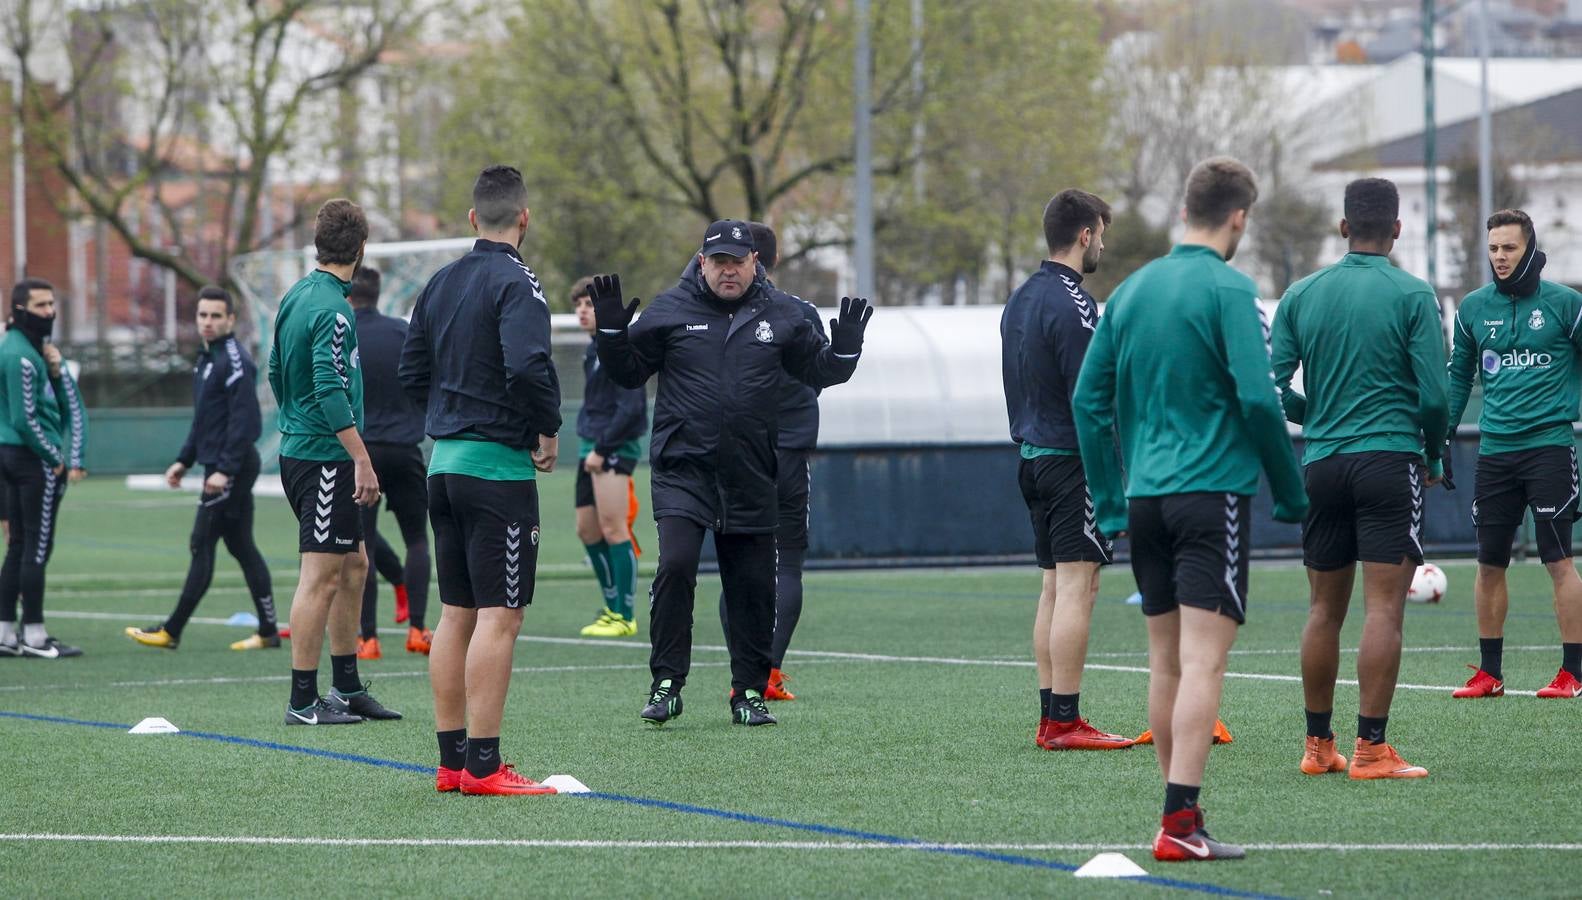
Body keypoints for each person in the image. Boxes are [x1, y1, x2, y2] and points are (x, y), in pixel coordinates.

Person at [1073, 157, 1307, 862]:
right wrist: (1292, 492)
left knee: (1165, 663)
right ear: (1240, 217)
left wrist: (1112, 503)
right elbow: (1261, 398)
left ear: (1184, 211)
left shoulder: (1133, 290)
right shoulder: (1230, 289)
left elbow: (1088, 403)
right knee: (1204, 664)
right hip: (1211, 498)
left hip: (1146, 502)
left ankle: (1175, 818)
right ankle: (1180, 827)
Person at [590, 219, 872, 728]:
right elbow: (628, 371)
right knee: (676, 565)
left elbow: (821, 373)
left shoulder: (782, 315)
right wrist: (611, 334)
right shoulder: (671, 310)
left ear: (753, 264)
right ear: (702, 263)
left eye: (737, 262)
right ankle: (667, 683)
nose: (728, 271)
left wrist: (846, 347)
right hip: (683, 468)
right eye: (718, 262)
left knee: (753, 584)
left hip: (751, 470)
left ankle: (748, 691)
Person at [1271, 177, 1446, 780]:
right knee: (1383, 610)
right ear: (1397, 229)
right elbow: (1434, 395)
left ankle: (1318, 747)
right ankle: (1371, 749)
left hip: (1322, 465)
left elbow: (1272, 388)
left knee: (1323, 610)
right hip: (1388, 463)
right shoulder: (1414, 293)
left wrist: (1310, 415)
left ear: (1343, 227)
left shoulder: (1301, 293)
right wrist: (1437, 453)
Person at [399, 165, 562, 796]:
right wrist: (546, 427)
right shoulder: (520, 283)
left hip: (444, 466)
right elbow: (527, 366)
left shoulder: (440, 282)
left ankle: (451, 762)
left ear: (473, 219)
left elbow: (413, 370)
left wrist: (447, 417)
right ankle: (486, 767)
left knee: (456, 613)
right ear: (524, 217)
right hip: (497, 472)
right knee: (500, 616)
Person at [1000, 189, 1131, 750]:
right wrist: (1112, 483)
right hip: (1070, 460)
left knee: (1054, 587)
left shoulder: (1020, 298)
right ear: (1085, 234)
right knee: (1079, 587)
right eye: (1101, 232)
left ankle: (1051, 715)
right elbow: (1091, 398)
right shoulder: (1074, 302)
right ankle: (1065, 721)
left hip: (1030, 458)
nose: (1102, 242)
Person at [268, 198, 400, 725]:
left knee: (355, 565)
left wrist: (292, 415)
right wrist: (360, 460)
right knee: (320, 577)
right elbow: (328, 386)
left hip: (308, 449)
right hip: (324, 458)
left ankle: (345, 686)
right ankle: (303, 701)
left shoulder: (297, 293)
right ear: (361, 248)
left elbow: (276, 367)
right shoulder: (333, 308)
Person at [1447, 208, 1582, 700]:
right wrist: (1441, 437)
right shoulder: (1473, 308)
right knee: (1488, 564)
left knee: (1558, 560)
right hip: (1495, 452)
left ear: (1530, 248)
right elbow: (1460, 376)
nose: (1500, 257)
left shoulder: (1567, 304)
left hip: (1548, 447)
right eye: (1494, 249)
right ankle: (1489, 673)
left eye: (1510, 248)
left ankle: (1573, 673)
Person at [127, 286, 279, 651]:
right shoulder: (206, 359)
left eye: (215, 316)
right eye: (202, 315)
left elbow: (245, 424)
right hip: (219, 465)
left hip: (234, 468)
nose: (207, 322)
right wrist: (185, 459)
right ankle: (269, 631)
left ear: (230, 320)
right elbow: (205, 421)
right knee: (242, 546)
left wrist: (224, 470)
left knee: (202, 542)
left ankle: (171, 630)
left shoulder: (235, 362)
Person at [714, 221, 826, 700]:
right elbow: (819, 374)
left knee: (736, 560)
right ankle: (768, 672)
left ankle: (746, 668)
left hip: (735, 452)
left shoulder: (717, 315)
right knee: (788, 562)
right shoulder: (798, 312)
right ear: (772, 261)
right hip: (786, 451)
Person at [348, 265, 433, 658]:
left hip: (362, 453)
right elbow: (424, 377)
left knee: (362, 543)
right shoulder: (401, 331)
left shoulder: (343, 334)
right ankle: (417, 629)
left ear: (349, 295)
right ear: (378, 294)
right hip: (405, 449)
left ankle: (368, 638)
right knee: (416, 538)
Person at [0, 278, 87, 658]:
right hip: (28, 458)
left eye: (52, 304)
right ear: (20, 311)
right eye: (40, 305)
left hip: (12, 456)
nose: (49, 312)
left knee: (18, 545)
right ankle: (34, 636)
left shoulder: (27, 350)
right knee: (36, 545)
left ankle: (5, 633)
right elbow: (24, 418)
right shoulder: (21, 355)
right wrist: (55, 457)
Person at [571, 275, 648, 638]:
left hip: (612, 449)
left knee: (615, 528)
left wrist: (603, 449)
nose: (583, 311)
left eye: (589, 304)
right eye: (579, 305)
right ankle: (611, 605)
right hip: (592, 447)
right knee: (587, 529)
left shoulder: (619, 347)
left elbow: (632, 409)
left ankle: (626, 615)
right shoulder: (591, 349)